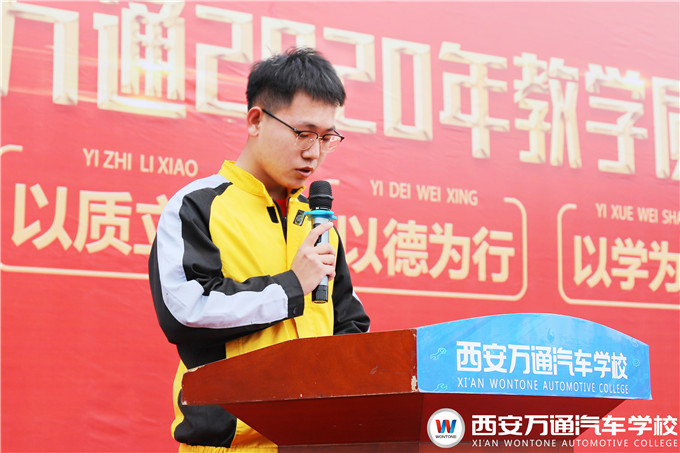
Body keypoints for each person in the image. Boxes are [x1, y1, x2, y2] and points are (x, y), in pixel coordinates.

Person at [148, 47, 371, 451]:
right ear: (255, 120)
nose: (314, 152)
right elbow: (186, 312)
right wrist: (291, 288)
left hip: (313, 442)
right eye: (303, 133)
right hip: (229, 446)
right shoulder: (198, 206)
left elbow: (349, 324)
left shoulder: (318, 222)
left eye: (326, 137)